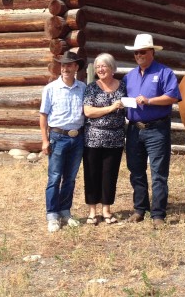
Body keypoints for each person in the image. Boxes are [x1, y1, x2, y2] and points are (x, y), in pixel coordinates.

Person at [123, 34, 182, 229]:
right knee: (136, 171)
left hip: (157, 129)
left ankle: (158, 214)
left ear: (152, 52)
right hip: (133, 129)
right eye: (136, 52)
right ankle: (140, 209)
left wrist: (149, 101)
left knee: (159, 172)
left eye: (143, 52)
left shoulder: (164, 72)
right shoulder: (129, 77)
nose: (139, 55)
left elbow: (173, 96)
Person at [39, 51, 86, 232]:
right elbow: (43, 116)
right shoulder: (51, 88)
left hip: (77, 138)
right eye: (63, 65)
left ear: (76, 67)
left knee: (70, 178)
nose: (66, 68)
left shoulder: (82, 88)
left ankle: (65, 212)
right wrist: (45, 140)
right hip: (58, 137)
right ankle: (52, 215)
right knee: (54, 177)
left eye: (70, 65)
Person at [83, 53, 126, 225]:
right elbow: (88, 112)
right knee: (92, 174)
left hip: (115, 138)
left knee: (110, 174)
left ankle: (106, 210)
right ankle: (92, 211)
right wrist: (111, 108)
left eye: (104, 66)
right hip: (93, 137)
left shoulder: (122, 86)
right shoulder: (92, 87)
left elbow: (128, 107)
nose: (100, 69)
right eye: (98, 66)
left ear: (112, 68)